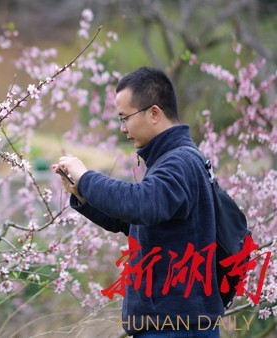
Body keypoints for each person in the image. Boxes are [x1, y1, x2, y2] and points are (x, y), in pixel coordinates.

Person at [54, 67, 224, 337]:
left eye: (125, 118)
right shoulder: (173, 160)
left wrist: (86, 177)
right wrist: (82, 195)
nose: (122, 129)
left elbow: (142, 204)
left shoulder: (180, 161)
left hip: (176, 327)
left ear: (154, 113)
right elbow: (134, 219)